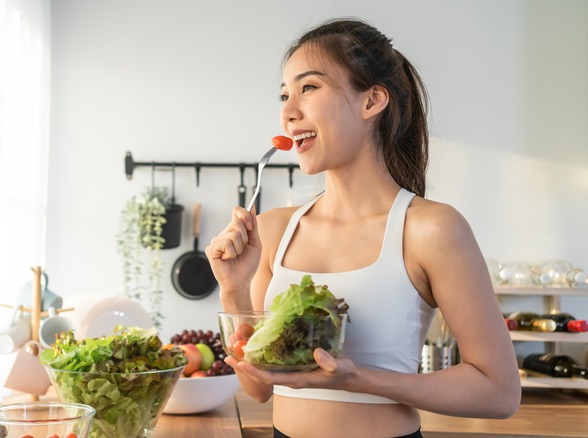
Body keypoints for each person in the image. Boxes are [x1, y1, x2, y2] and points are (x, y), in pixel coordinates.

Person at [205, 17, 521, 438]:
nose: (288, 112)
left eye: (309, 87)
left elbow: (498, 393)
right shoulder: (275, 229)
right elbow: (258, 386)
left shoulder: (431, 229)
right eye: (284, 94)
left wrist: (358, 379)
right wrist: (233, 289)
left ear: (371, 102)